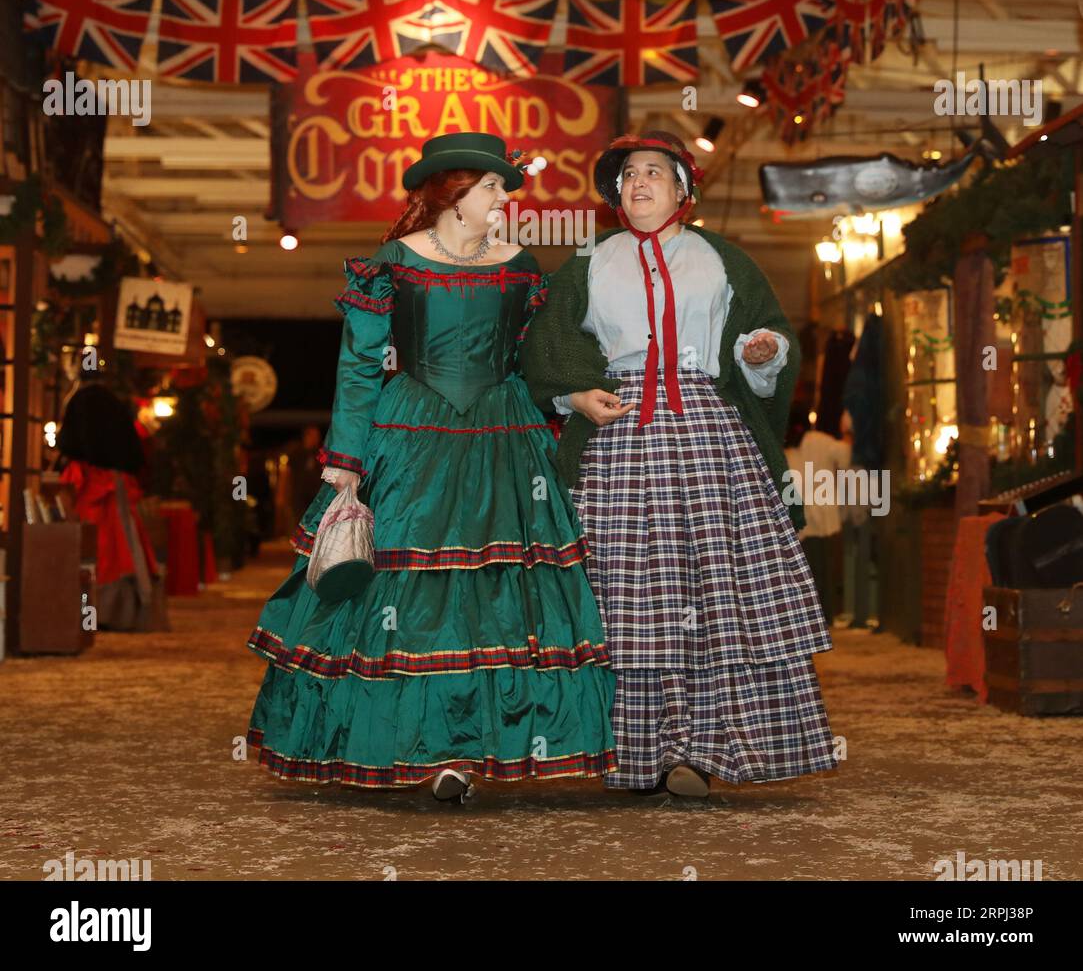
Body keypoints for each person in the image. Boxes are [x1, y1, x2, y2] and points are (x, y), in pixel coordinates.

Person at [246, 132, 616, 800]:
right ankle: (429, 751)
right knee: (409, 595)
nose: (506, 198)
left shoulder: (520, 265)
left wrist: (571, 393)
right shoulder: (394, 263)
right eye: (495, 187)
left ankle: (474, 747)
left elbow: (535, 360)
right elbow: (359, 367)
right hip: (410, 437)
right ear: (454, 194)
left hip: (506, 439)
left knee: (499, 600)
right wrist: (346, 464)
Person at [521, 130, 836, 797]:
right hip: (617, 441)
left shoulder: (723, 260)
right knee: (621, 599)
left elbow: (769, 331)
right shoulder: (587, 263)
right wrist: (575, 391)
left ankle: (699, 749)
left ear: (682, 190)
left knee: (712, 594)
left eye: (654, 172)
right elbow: (544, 346)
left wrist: (762, 352)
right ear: (613, 192)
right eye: (627, 173)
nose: (639, 182)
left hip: (706, 437)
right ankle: (622, 751)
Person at [57, 377, 163, 632]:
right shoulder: (120, 470)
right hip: (118, 504)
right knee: (123, 553)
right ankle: (117, 613)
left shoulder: (77, 470)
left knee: (92, 555)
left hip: (90, 503)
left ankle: (85, 615)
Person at [786, 409, 853, 626]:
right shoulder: (819, 440)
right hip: (822, 518)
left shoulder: (783, 447)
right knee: (824, 570)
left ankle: (806, 618)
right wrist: (848, 435)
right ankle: (825, 617)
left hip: (797, 520)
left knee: (803, 573)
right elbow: (845, 456)